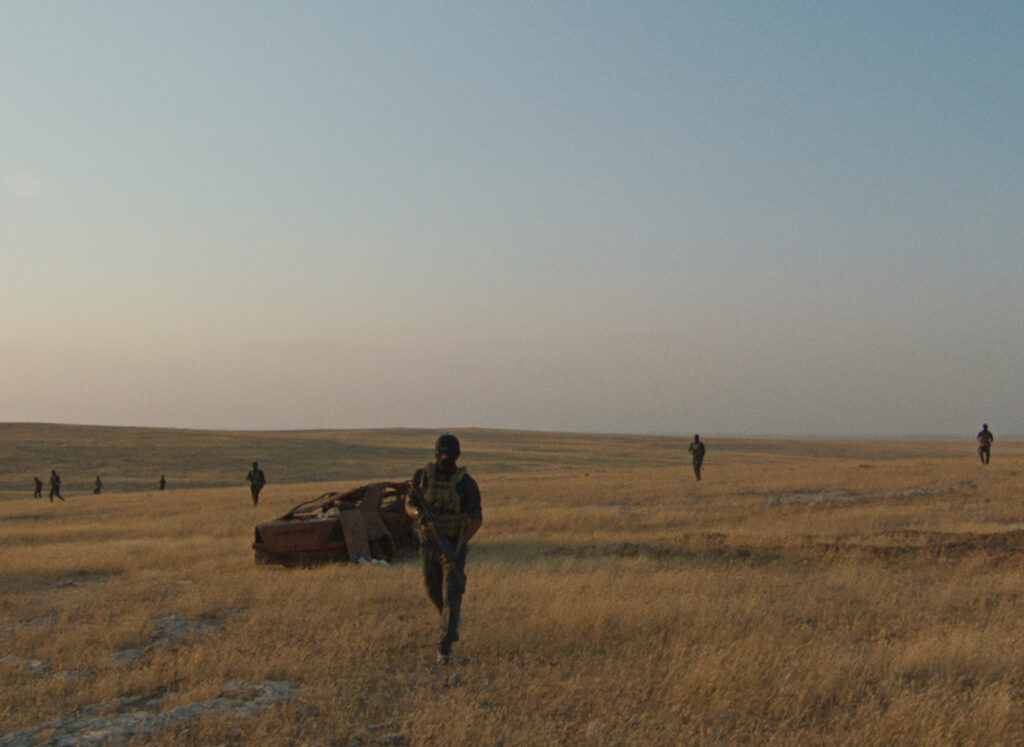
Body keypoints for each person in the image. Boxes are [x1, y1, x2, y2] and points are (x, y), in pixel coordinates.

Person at [406, 434, 482, 665]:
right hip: (429, 543)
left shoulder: (465, 483)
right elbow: (409, 505)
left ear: (457, 455)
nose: (445, 458)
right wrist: (419, 515)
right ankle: (450, 619)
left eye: (449, 454)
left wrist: (458, 546)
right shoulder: (422, 477)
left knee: (452, 593)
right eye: (442, 453)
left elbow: (476, 519)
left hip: (452, 544)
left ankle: (445, 645)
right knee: (432, 588)